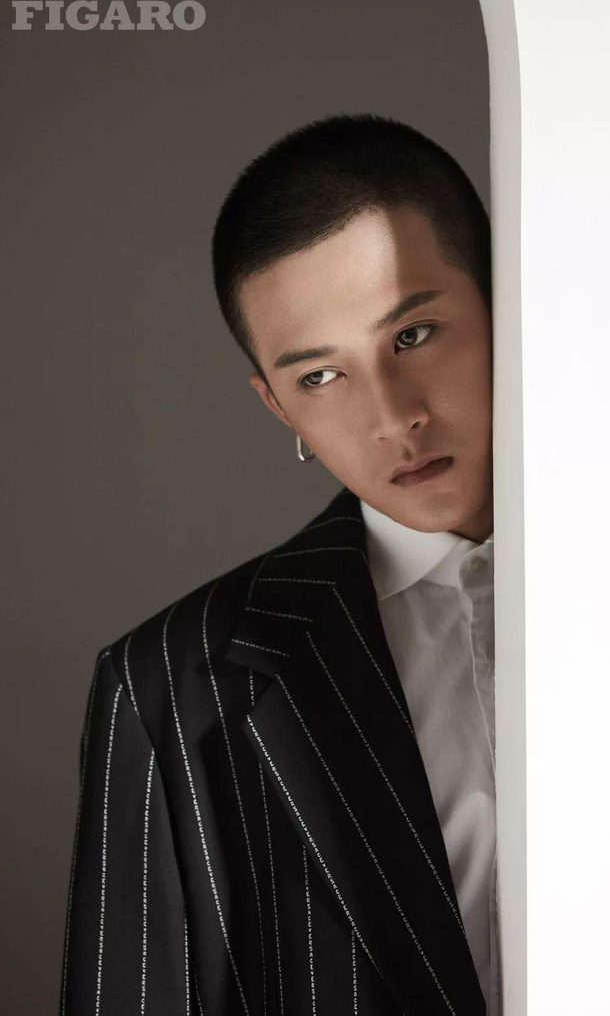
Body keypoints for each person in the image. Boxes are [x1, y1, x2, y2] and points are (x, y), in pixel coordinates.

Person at [59, 113, 498, 1016]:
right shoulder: (176, 685)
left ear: (508, 302)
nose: (393, 417)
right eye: (319, 377)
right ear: (277, 406)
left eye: (413, 334)